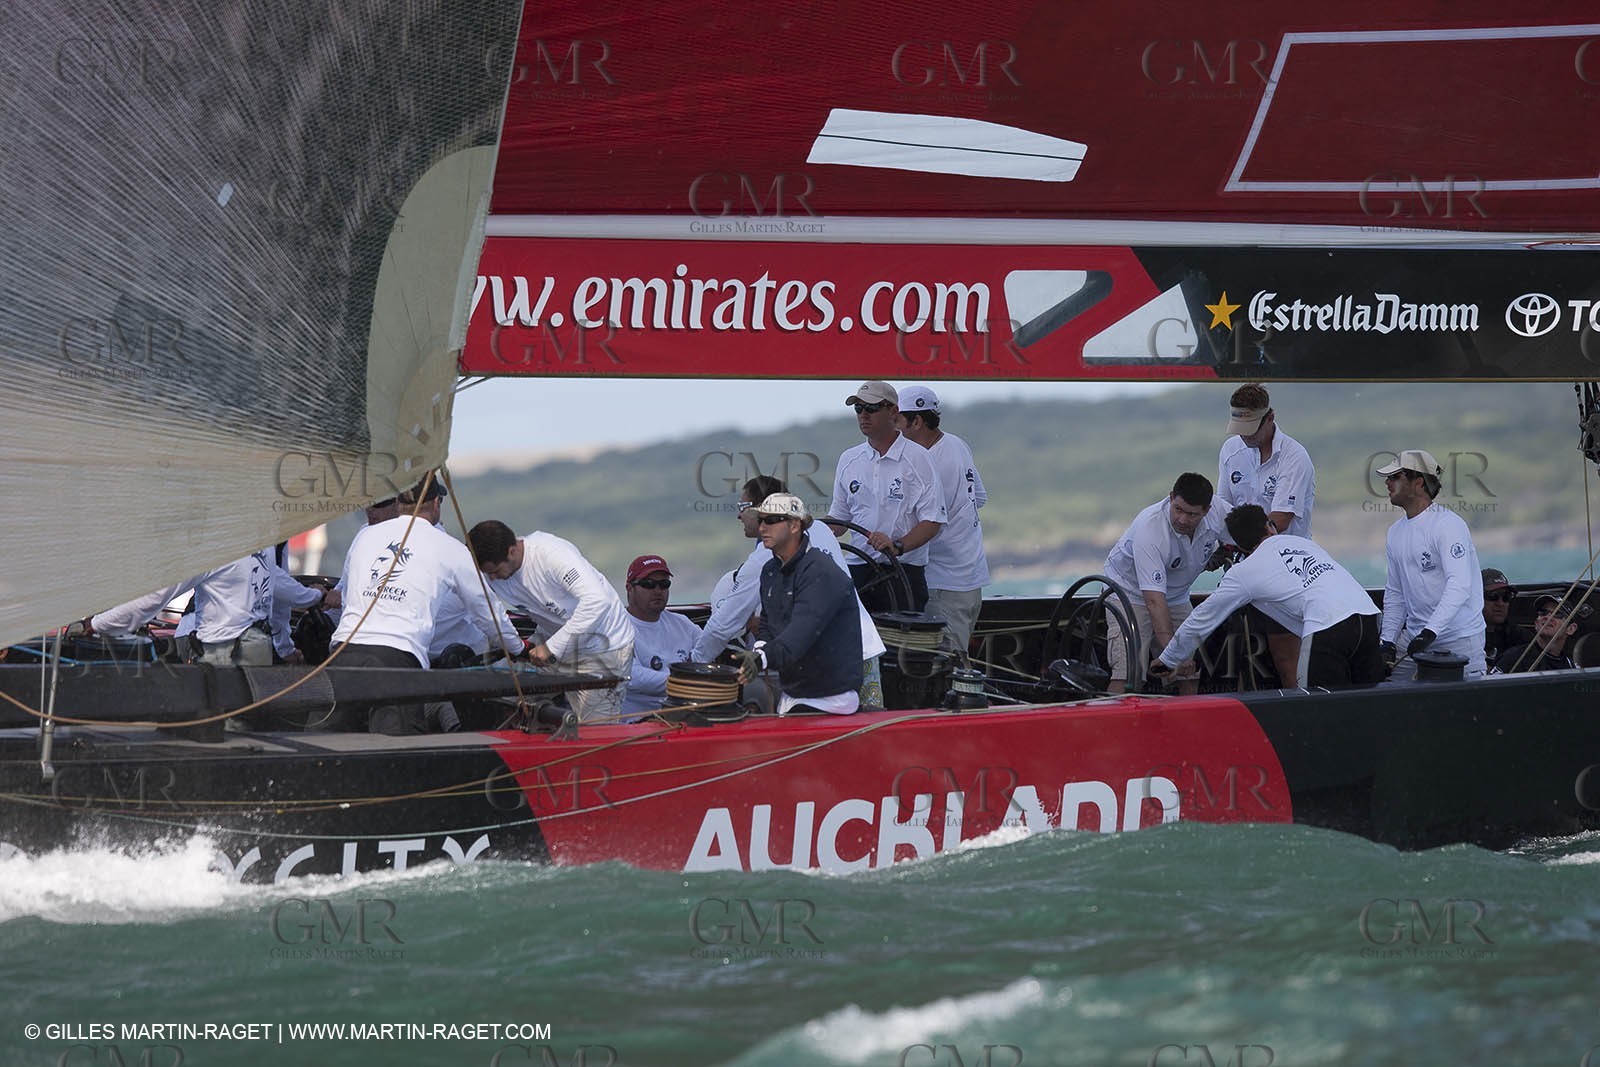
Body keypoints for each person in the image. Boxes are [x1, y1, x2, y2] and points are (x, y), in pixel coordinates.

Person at [328, 494, 527, 734]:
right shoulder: (450, 548)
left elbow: (347, 596)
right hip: (395, 660)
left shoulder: (365, 535)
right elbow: (489, 614)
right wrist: (518, 649)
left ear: (399, 502)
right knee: (397, 752)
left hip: (342, 652)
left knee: (328, 742)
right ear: (436, 503)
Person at [693, 476, 888, 707]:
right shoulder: (820, 530)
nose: (740, 515)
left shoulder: (764, 561)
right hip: (863, 648)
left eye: (744, 508)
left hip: (829, 669)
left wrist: (694, 664)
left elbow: (722, 625)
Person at [1150, 505, 1383, 689]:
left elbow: (1203, 616)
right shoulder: (1303, 543)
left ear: (1239, 546)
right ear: (1270, 526)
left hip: (1327, 627)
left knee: (1317, 710)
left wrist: (1169, 659)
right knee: (1370, 706)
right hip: (1369, 615)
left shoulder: (1244, 572)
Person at [466, 519, 636, 723]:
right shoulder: (490, 572)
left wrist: (551, 648)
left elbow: (598, 601)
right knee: (493, 696)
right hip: (551, 640)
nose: (491, 579)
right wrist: (520, 647)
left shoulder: (551, 555)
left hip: (603, 648)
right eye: (486, 574)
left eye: (494, 571)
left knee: (595, 732)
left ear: (511, 551)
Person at [824, 380, 946, 613]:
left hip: (903, 572)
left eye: (871, 408)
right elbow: (839, 519)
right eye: (858, 409)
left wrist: (897, 546)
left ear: (893, 412)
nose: (863, 416)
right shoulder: (849, 459)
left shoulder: (919, 458)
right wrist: (811, 530)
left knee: (900, 649)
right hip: (859, 570)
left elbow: (933, 521)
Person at [1103, 473, 1228, 694]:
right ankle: (1112, 726)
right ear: (1171, 498)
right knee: (1128, 673)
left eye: (1191, 514)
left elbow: (1252, 533)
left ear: (1207, 510)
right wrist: (1173, 653)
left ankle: (1188, 725)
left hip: (1176, 596)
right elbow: (1153, 601)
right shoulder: (1150, 529)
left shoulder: (1220, 512)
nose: (1182, 519)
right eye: (1178, 509)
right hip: (1129, 594)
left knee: (1188, 672)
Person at [743, 493, 864, 716]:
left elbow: (800, 636)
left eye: (771, 520)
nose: (762, 528)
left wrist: (760, 659)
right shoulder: (770, 571)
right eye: (760, 520)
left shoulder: (820, 572)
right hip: (795, 695)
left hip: (831, 700)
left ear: (794, 526)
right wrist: (759, 651)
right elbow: (768, 626)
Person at [1377, 449, 1487, 680]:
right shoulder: (1394, 533)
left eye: (1395, 477)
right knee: (1386, 689)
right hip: (1416, 638)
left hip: (1459, 638)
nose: (1387, 482)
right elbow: (1396, 593)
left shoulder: (1448, 525)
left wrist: (1430, 631)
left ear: (1418, 483)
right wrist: (1387, 640)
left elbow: (1459, 585)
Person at [896, 384, 989, 653]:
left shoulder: (927, 461)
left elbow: (929, 521)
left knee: (946, 667)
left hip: (944, 582)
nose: (893, 428)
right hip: (969, 576)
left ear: (916, 421)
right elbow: (979, 498)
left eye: (897, 420)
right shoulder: (956, 444)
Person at [1216, 384, 1316, 537]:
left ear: (1270, 418)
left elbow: (1281, 519)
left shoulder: (1295, 456)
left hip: (1287, 553)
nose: (1244, 435)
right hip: (1243, 552)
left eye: (1250, 429)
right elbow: (1223, 506)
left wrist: (1242, 538)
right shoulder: (1230, 450)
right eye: (1239, 428)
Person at [620, 554, 703, 719]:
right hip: (636, 723)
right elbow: (633, 677)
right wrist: (689, 680)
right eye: (648, 584)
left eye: (664, 584)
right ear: (629, 588)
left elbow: (708, 648)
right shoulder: (616, 627)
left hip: (685, 717)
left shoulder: (683, 624)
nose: (658, 591)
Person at [1496, 595, 1586, 673]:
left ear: (1571, 629)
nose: (1547, 617)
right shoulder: (1513, 658)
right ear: (1536, 623)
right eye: (1543, 612)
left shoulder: (1571, 667)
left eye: (1557, 614)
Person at [1481, 568, 1520, 664]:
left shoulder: (1517, 636)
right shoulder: (1464, 639)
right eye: (1493, 596)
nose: (1500, 603)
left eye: (1506, 596)